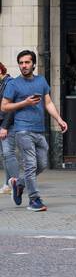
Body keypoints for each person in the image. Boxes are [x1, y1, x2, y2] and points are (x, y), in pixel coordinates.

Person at [1, 48, 68, 212]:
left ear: (33, 64)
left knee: (42, 164)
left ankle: (18, 183)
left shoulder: (41, 81)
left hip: (39, 130)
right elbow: (4, 106)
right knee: (30, 165)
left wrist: (59, 120)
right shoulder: (14, 84)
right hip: (22, 130)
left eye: (27, 62)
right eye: (21, 63)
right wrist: (24, 103)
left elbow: (48, 103)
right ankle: (34, 200)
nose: (24, 65)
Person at [0, 60, 19, 196]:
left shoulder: (9, 83)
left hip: (8, 125)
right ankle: (7, 184)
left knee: (8, 154)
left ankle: (17, 184)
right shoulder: (2, 84)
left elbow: (11, 108)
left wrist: (5, 127)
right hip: (2, 124)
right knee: (4, 155)